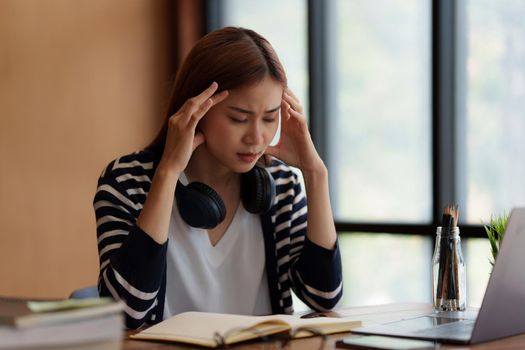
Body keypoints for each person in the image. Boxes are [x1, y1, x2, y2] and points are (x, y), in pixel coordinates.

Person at [94, 27, 342, 329]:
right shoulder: (126, 181)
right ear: (196, 108)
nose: (256, 137)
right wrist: (168, 173)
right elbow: (126, 312)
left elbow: (324, 296)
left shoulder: (281, 185)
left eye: (269, 118)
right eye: (238, 118)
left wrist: (316, 174)